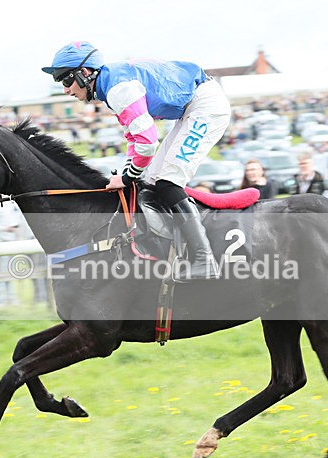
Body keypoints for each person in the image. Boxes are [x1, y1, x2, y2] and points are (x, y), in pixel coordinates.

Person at [42, 41, 230, 281]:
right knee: (151, 181)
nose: (66, 90)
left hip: (205, 106)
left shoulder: (118, 89)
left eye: (66, 80)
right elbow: (133, 137)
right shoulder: (109, 85)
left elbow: (148, 143)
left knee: (168, 182)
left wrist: (127, 177)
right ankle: (174, 251)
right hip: (191, 108)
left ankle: (205, 259)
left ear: (85, 73)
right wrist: (128, 173)